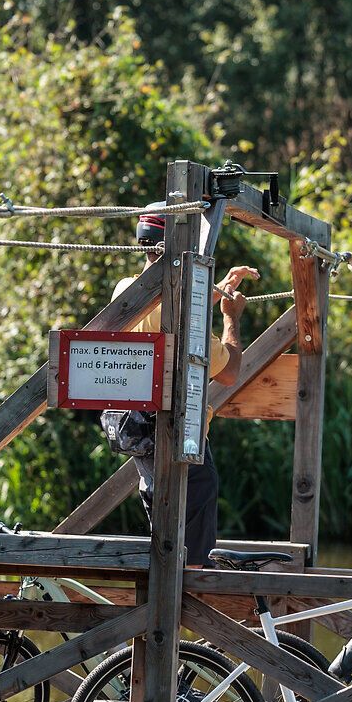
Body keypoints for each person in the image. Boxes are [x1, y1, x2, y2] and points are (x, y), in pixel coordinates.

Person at [110, 213, 258, 565]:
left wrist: (215, 288)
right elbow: (229, 372)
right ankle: (180, 603)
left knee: (162, 527)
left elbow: (166, 298)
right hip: (180, 440)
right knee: (192, 552)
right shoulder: (184, 316)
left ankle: (162, 602)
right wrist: (230, 317)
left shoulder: (124, 290)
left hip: (134, 430)